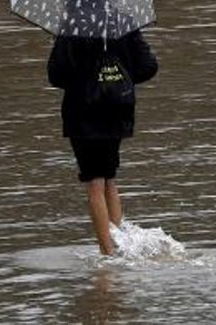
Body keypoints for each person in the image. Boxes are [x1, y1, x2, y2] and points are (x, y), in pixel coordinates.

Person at [47, 28, 158, 255]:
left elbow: (56, 76)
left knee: (94, 183)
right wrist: (119, 77)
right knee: (109, 179)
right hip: (118, 110)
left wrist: (84, 76)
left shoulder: (72, 29)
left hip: (84, 115)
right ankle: (119, 245)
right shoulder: (125, 25)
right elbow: (148, 66)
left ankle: (107, 253)